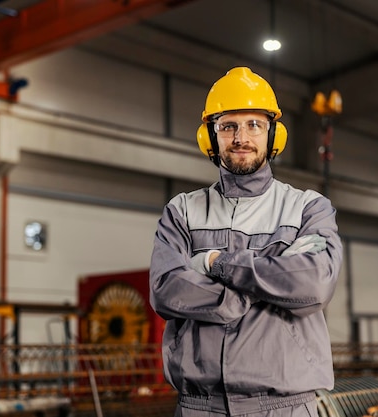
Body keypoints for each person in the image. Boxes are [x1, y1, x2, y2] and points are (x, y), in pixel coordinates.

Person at [149, 67, 343, 417]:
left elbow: (312, 283)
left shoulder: (307, 208)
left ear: (274, 135)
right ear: (210, 137)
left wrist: (214, 264)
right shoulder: (182, 211)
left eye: (255, 124)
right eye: (228, 126)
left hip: (285, 407)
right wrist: (248, 291)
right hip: (199, 408)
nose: (241, 137)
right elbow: (166, 288)